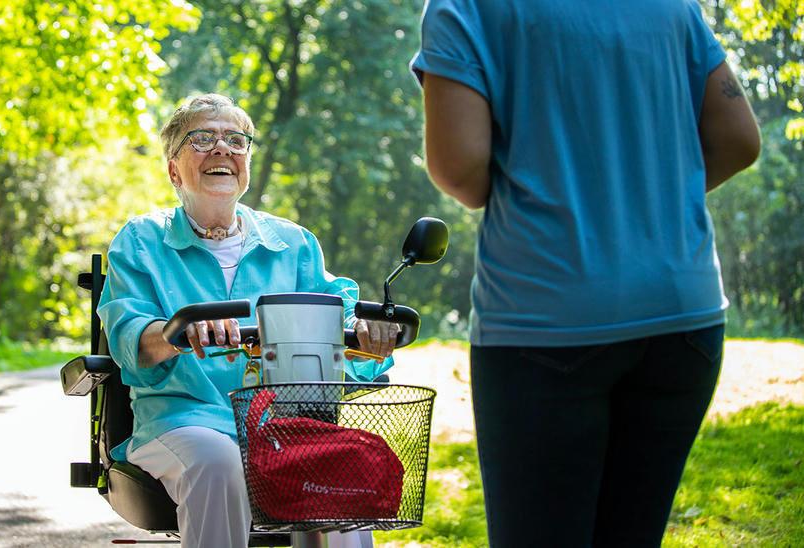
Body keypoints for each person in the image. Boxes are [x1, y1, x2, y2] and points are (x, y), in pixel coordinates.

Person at [411, 2, 760, 547]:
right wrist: (654, 200)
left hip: (545, 316)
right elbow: (740, 140)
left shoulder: (466, 6)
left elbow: (461, 169)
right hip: (682, 314)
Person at [97, 93, 397, 548]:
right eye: (202, 139)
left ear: (247, 164)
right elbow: (129, 336)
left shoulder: (293, 243)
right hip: (184, 418)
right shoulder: (141, 241)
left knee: (342, 469)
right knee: (218, 461)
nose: (222, 148)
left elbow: (340, 312)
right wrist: (178, 333)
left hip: (284, 423)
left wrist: (367, 335)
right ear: (174, 171)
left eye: (236, 140)